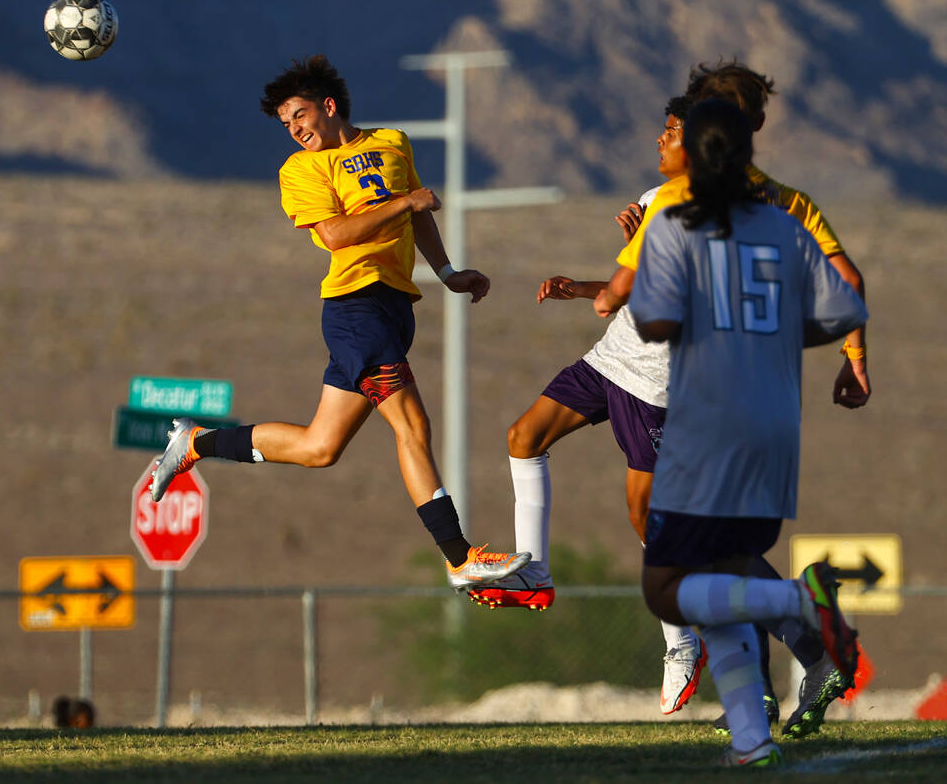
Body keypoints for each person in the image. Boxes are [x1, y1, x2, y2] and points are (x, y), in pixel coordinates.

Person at [148, 55, 528, 589]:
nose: (295, 130)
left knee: (319, 448)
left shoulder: (392, 143)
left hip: (394, 309)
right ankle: (459, 555)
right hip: (355, 309)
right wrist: (405, 203)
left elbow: (418, 214)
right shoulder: (300, 169)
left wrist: (446, 272)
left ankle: (195, 444)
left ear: (329, 106)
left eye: (300, 116)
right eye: (286, 124)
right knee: (413, 427)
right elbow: (336, 236)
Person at [595, 60, 869, 738]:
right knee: (724, 556)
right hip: (773, 408)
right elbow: (846, 290)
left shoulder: (679, 204)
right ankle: (766, 706)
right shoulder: (788, 205)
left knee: (679, 574)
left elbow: (636, 308)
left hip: (703, 406)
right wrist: (848, 359)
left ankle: (799, 619)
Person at [468, 96, 714, 716]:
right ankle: (535, 572)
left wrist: (636, 261)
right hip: (610, 360)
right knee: (523, 436)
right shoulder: (655, 202)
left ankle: (681, 639)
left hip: (654, 382)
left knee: (643, 520)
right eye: (661, 128)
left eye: (673, 132)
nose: (660, 140)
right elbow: (617, 292)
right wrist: (579, 286)